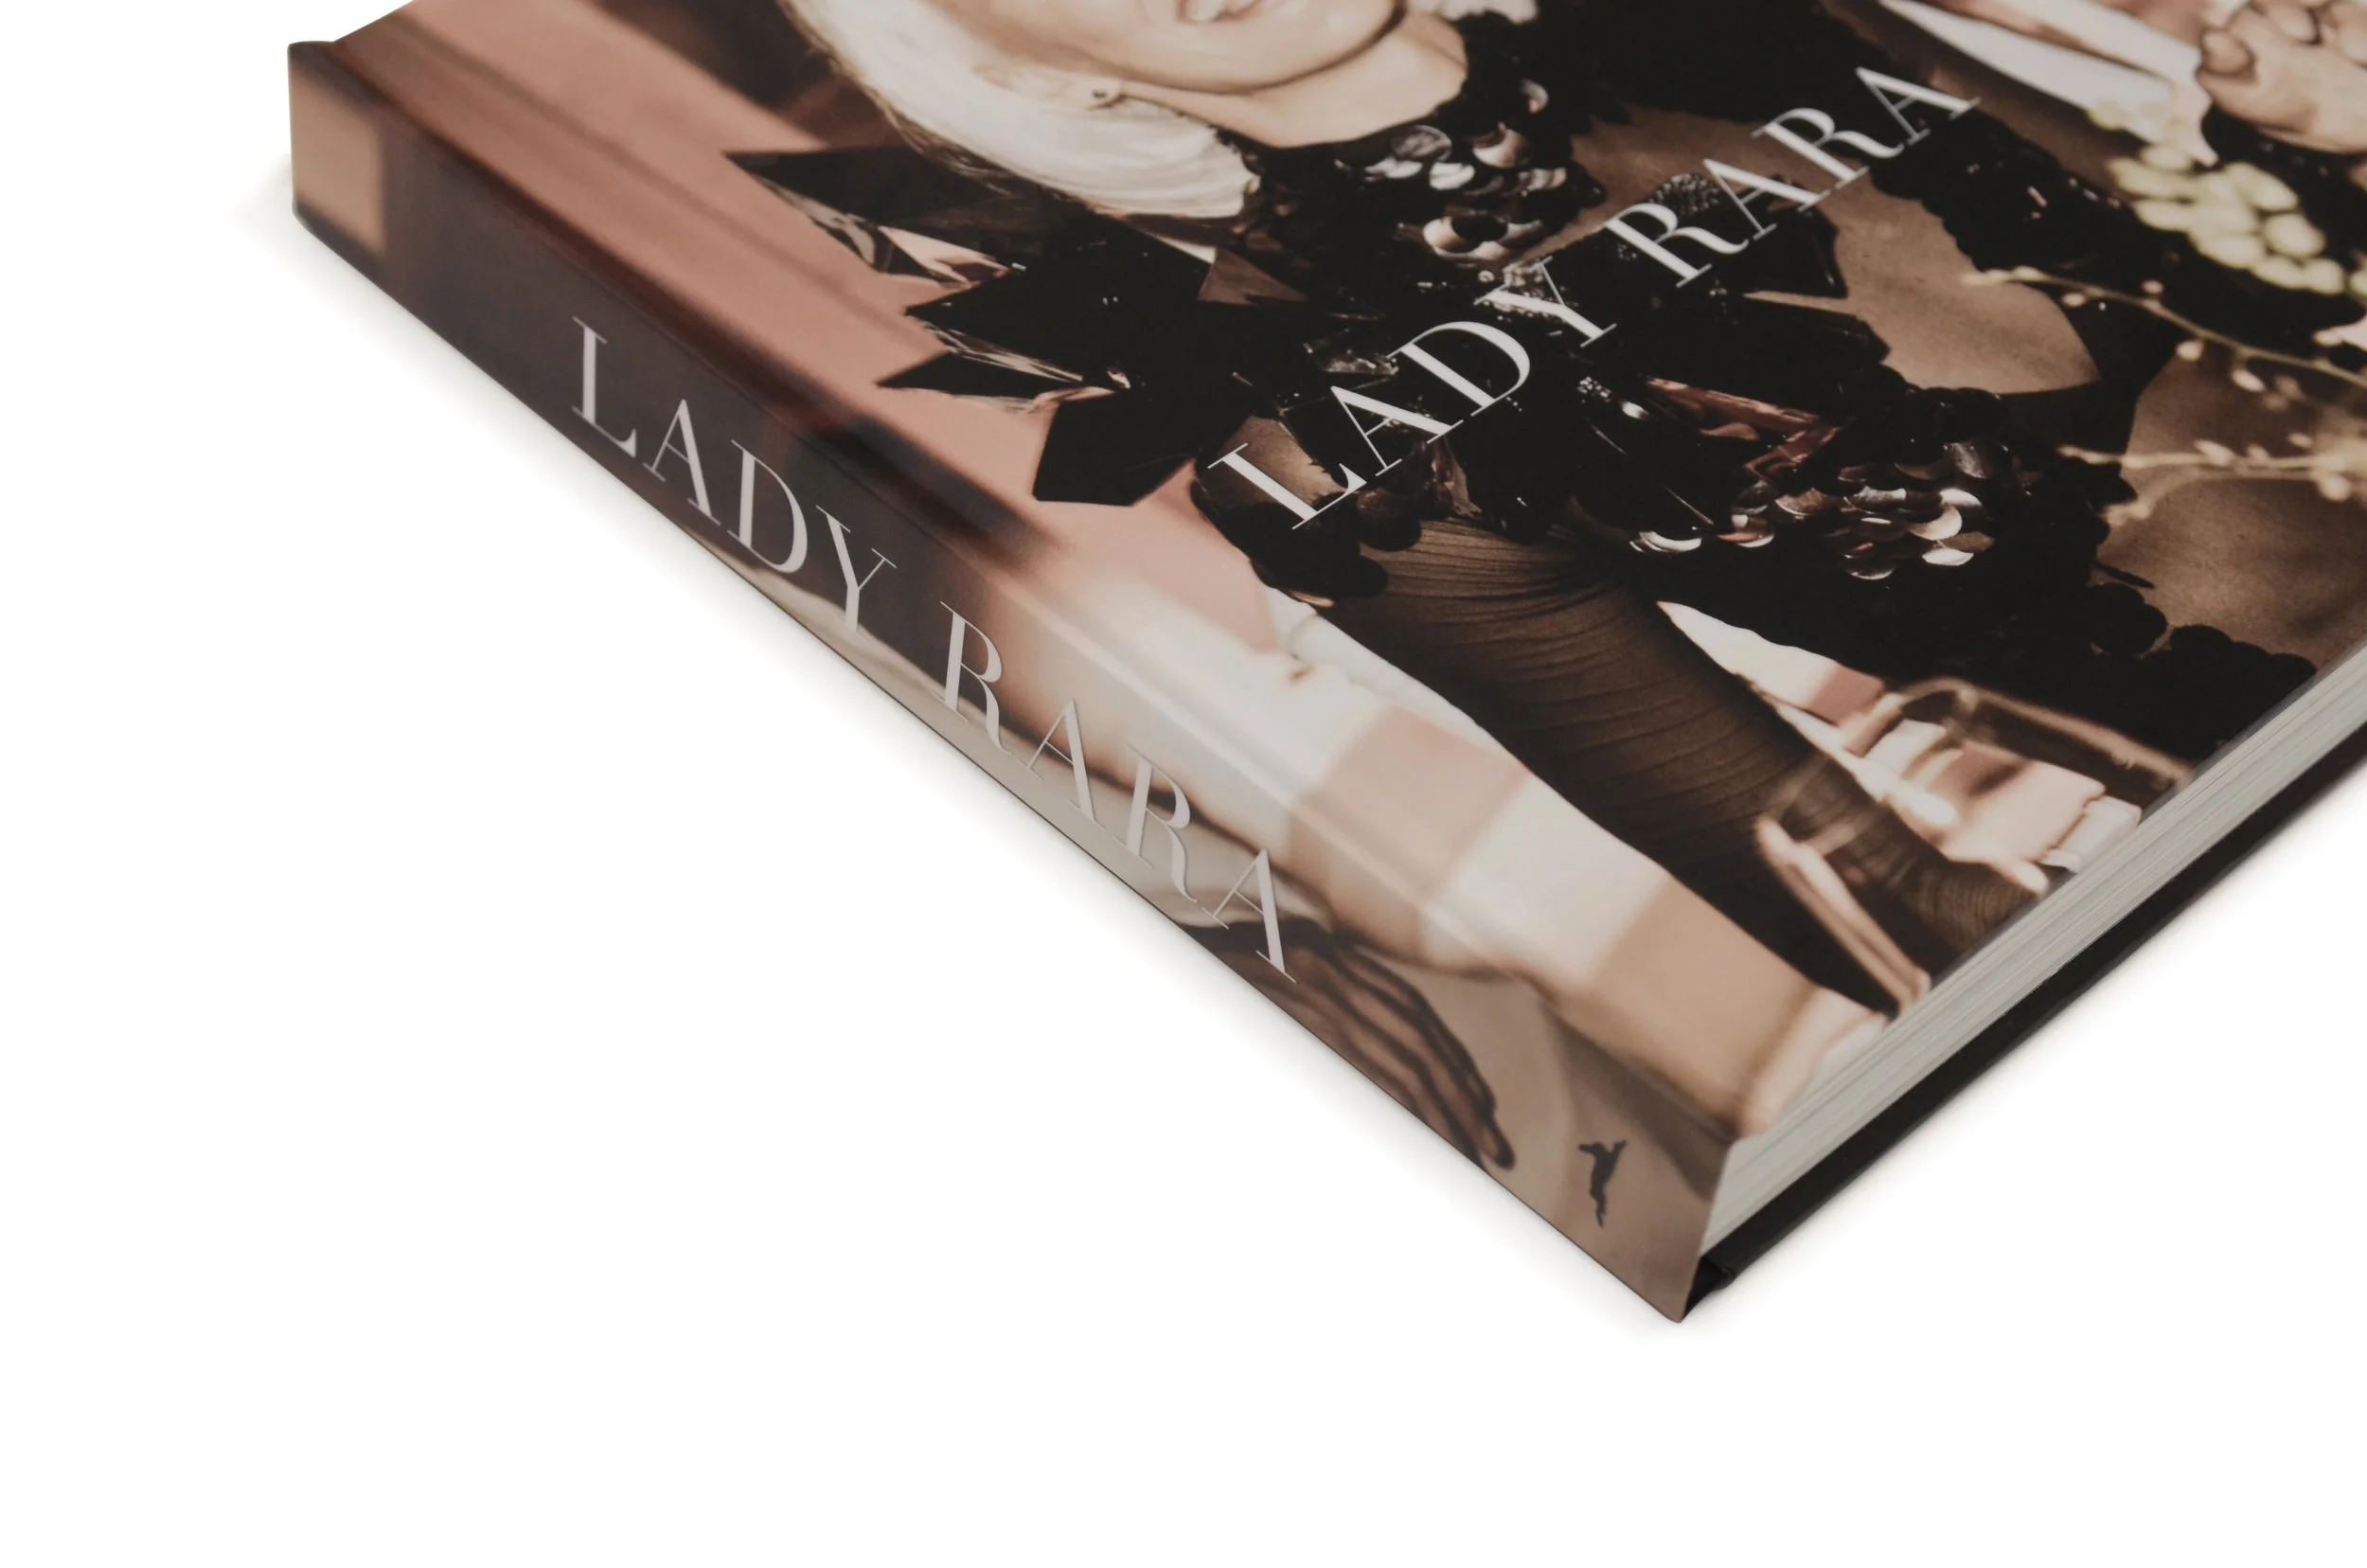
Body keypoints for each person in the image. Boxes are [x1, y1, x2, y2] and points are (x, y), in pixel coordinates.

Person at [759, 0, 2367, 1008]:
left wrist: (2320, 148)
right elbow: (1896, 912)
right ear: (1013, 64)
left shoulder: (1751, 20)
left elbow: (2279, 317)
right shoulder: (1336, 446)